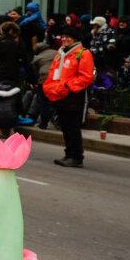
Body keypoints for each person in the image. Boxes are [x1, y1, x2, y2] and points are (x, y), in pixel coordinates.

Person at [43, 26, 95, 167]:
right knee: (65, 126)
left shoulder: (83, 53)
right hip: (60, 94)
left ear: (75, 39)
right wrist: (50, 88)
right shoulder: (60, 54)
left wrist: (68, 86)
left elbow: (86, 77)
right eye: (63, 36)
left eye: (68, 37)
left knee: (72, 126)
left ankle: (76, 157)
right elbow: (53, 73)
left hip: (74, 95)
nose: (64, 39)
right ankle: (69, 154)